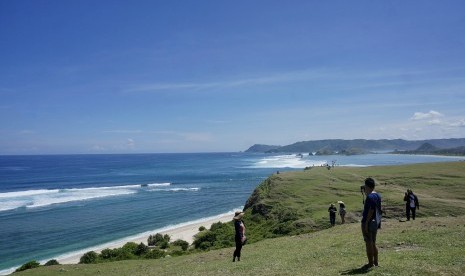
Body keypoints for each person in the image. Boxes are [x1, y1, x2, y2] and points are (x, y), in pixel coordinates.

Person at [361, 177, 382, 270]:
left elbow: (371, 210)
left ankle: (370, 263)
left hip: (369, 222)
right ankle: (376, 262)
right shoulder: (377, 195)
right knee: (373, 242)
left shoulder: (369, 197)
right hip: (375, 222)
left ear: (367, 186)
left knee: (368, 242)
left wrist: (366, 223)